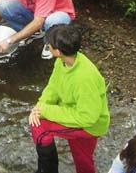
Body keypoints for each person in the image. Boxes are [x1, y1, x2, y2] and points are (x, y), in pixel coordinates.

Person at [29, 24, 110, 173]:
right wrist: (40, 106)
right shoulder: (64, 61)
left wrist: (45, 111)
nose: (47, 46)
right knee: (82, 158)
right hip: (80, 115)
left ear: (58, 51)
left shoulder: (84, 78)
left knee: (39, 127)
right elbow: (53, 87)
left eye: (49, 45)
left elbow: (87, 117)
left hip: (89, 124)